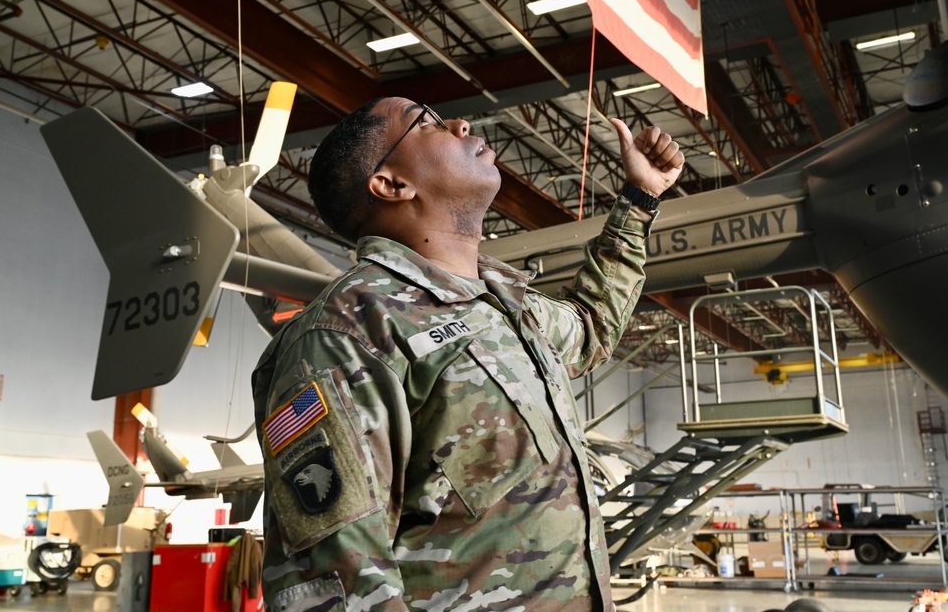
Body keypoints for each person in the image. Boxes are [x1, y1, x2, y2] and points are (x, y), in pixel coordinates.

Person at [251, 96, 684, 612]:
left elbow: (590, 327)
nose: (460, 123)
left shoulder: (505, 305)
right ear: (392, 185)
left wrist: (639, 200)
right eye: (427, 124)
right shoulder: (348, 330)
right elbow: (336, 578)